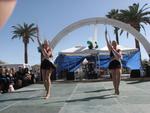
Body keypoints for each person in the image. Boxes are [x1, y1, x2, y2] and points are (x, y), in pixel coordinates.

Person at [37, 35, 55, 99]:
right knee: (44, 80)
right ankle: (47, 90)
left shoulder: (50, 49)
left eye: (46, 42)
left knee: (47, 77)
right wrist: (37, 34)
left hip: (49, 63)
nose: (45, 43)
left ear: (48, 43)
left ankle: (48, 93)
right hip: (43, 63)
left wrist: (44, 52)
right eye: (44, 42)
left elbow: (47, 56)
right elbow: (38, 41)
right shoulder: (42, 48)